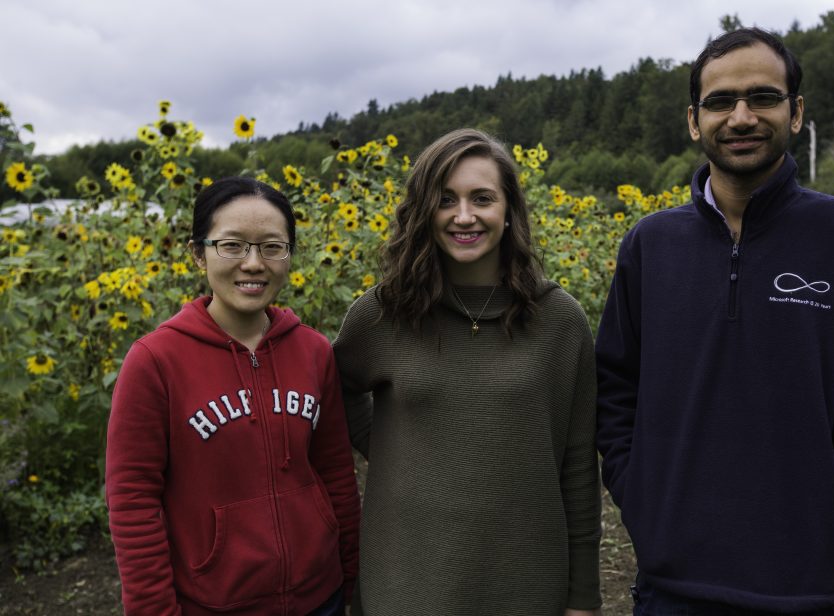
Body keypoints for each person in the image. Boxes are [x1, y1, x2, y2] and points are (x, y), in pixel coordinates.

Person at [595, 28, 834, 615]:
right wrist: (641, 495)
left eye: (762, 98)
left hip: (807, 590)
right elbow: (616, 386)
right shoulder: (651, 246)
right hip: (672, 589)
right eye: (720, 102)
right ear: (695, 121)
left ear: (795, 113)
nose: (741, 117)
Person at [332, 128, 602, 616]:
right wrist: (397, 448)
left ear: (509, 209)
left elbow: (578, 468)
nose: (463, 216)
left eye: (482, 198)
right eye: (445, 200)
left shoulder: (560, 320)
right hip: (405, 583)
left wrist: (583, 597)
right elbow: (336, 388)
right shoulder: (383, 314)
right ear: (422, 212)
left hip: (526, 584)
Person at [106, 177, 360, 615]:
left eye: (272, 247)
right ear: (198, 254)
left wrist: (352, 574)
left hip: (322, 598)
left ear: (289, 256)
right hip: (215, 604)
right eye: (232, 245)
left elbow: (336, 472)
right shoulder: (155, 361)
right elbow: (132, 500)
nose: (253, 263)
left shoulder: (314, 352)